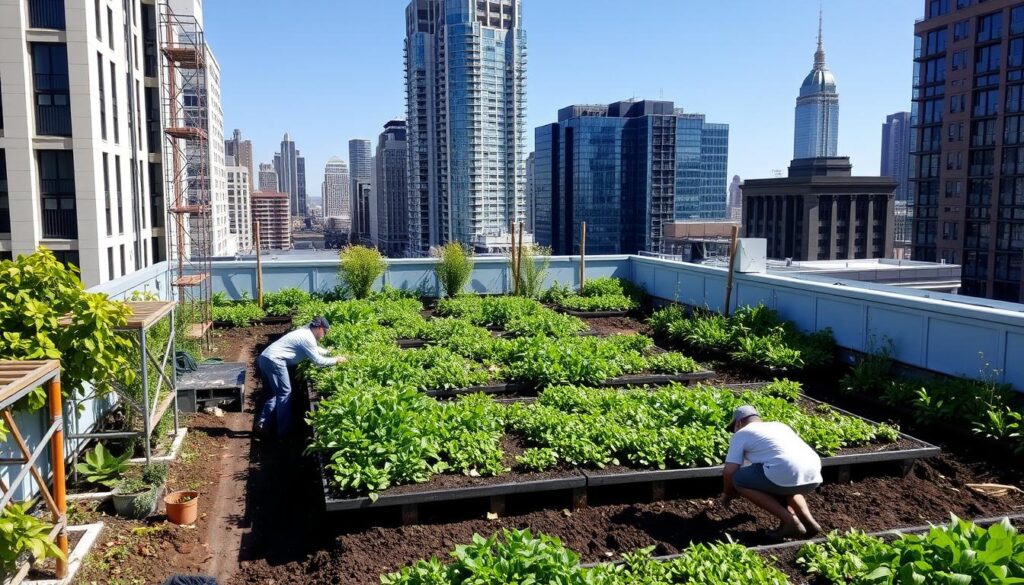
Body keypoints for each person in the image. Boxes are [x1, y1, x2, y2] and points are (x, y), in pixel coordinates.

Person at [720, 405, 823, 539]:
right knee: (785, 483)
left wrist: (728, 493)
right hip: (813, 474)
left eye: (733, 427)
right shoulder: (780, 426)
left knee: (739, 480)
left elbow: (729, 471)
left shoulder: (742, 433)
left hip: (785, 471)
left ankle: (791, 522)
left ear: (738, 423)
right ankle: (809, 523)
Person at [255, 316, 346, 439]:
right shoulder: (307, 338)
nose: (324, 335)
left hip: (265, 358)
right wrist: (336, 360)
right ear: (319, 328)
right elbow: (318, 361)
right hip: (275, 361)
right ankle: (284, 433)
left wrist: (329, 352)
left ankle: (263, 424)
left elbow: (314, 349)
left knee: (274, 393)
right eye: (325, 332)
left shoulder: (304, 333)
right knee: (285, 393)